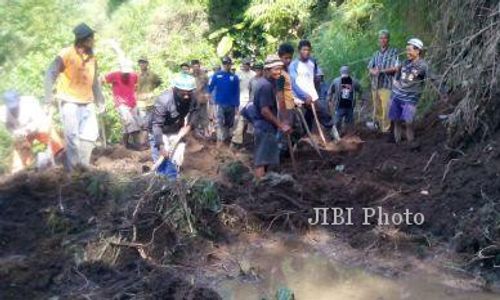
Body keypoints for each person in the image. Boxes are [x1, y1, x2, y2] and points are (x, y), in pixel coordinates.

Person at [44, 23, 105, 171]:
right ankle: (73, 173)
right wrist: (48, 98)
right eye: (91, 38)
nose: (94, 40)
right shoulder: (66, 53)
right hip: (69, 100)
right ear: (83, 40)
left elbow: (94, 80)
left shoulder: (92, 58)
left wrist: (100, 100)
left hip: (87, 101)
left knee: (91, 135)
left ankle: (81, 167)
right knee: (72, 138)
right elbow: (50, 73)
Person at [2, 91, 64, 173]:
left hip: (39, 128)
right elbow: (9, 128)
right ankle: (24, 172)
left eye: (15, 105)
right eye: (11, 107)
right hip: (23, 135)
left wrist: (28, 129)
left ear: (19, 100)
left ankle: (61, 161)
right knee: (19, 160)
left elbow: (41, 120)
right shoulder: (3, 113)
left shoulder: (30, 103)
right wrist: (16, 133)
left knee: (55, 143)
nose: (14, 108)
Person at [150, 73, 198, 179]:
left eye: (189, 92)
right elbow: (156, 125)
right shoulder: (164, 100)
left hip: (176, 130)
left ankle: (174, 185)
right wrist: (161, 146)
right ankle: (160, 185)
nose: (186, 96)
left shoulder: (192, 96)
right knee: (163, 164)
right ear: (175, 89)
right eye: (183, 93)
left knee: (176, 160)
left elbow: (194, 112)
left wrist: (189, 126)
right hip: (159, 131)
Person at [252, 55, 291, 178]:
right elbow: (265, 111)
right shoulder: (265, 86)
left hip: (265, 127)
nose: (278, 72)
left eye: (280, 69)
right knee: (262, 161)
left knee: (265, 159)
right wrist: (281, 125)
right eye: (275, 69)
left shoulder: (265, 83)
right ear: (267, 70)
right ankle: (259, 187)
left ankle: (261, 186)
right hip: (265, 127)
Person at [389, 38, 428, 145]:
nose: (407, 52)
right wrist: (396, 85)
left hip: (410, 99)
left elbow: (431, 78)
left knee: (408, 122)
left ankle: (411, 144)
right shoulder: (404, 63)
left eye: (410, 50)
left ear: (417, 51)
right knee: (396, 121)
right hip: (397, 96)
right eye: (407, 50)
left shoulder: (423, 65)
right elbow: (396, 77)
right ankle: (397, 144)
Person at [103, 60, 143, 149]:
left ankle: (124, 145)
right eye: (124, 72)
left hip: (132, 103)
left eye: (127, 72)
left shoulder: (133, 75)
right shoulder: (114, 75)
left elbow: (137, 84)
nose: (126, 74)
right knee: (130, 123)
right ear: (120, 69)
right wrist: (101, 97)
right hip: (121, 104)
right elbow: (102, 80)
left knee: (133, 124)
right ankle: (138, 145)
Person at [367, 29, 400, 133]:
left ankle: (386, 130)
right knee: (377, 109)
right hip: (375, 85)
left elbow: (397, 68)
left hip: (387, 85)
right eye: (381, 38)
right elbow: (370, 68)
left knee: (386, 108)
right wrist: (374, 71)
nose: (383, 40)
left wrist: (382, 71)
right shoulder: (375, 54)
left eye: (385, 38)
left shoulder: (394, 52)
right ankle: (380, 128)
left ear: (388, 39)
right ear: (378, 40)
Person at [289, 40, 321, 131]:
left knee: (311, 120)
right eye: (304, 50)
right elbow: (293, 83)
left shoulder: (312, 62)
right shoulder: (294, 65)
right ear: (299, 50)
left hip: (312, 97)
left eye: (308, 50)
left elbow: (314, 77)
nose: (306, 52)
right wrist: (304, 96)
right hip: (300, 99)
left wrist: (314, 93)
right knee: (300, 124)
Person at [208, 56, 240, 147]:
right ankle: (220, 140)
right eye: (225, 64)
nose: (226, 65)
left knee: (230, 123)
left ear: (231, 65)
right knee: (219, 122)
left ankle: (226, 138)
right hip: (219, 103)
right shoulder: (216, 75)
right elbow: (210, 87)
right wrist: (207, 95)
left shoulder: (234, 77)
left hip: (231, 104)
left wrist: (237, 105)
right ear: (222, 64)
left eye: (228, 64)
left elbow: (237, 92)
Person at [327, 66, 363, 138]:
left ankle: (348, 136)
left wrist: (360, 99)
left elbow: (360, 90)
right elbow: (330, 91)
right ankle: (335, 136)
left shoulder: (353, 81)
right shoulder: (336, 81)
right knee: (337, 121)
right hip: (340, 106)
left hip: (349, 106)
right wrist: (329, 99)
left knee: (349, 122)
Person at [231, 58, 256, 147]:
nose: (246, 65)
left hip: (251, 99)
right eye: (245, 64)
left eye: (248, 64)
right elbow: (234, 88)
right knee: (239, 119)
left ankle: (249, 140)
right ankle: (237, 140)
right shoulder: (238, 74)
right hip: (240, 99)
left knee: (250, 122)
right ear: (242, 64)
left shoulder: (254, 74)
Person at [137, 57, 162, 140]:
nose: (142, 64)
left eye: (144, 62)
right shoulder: (136, 75)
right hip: (140, 101)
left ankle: (151, 138)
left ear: (147, 64)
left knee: (151, 120)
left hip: (150, 100)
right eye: (140, 62)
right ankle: (144, 140)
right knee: (142, 122)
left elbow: (159, 81)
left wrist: (152, 87)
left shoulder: (152, 74)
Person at [191, 59, 211, 138]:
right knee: (194, 114)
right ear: (192, 67)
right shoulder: (190, 75)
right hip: (192, 98)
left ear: (199, 66)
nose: (196, 68)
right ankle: (195, 131)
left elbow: (206, 86)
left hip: (202, 97)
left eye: (197, 66)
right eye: (194, 66)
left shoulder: (204, 75)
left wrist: (206, 94)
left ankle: (206, 131)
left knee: (204, 114)